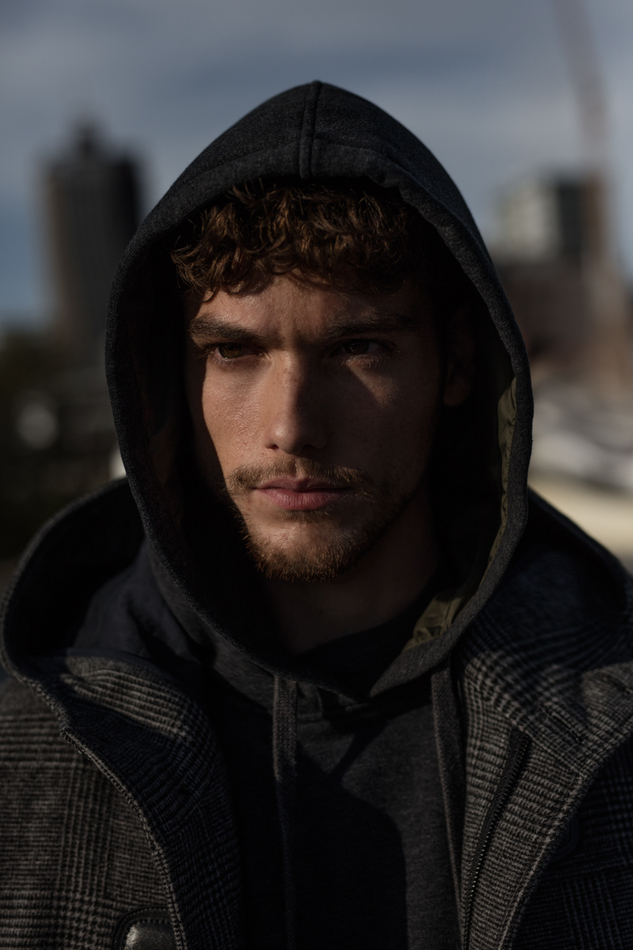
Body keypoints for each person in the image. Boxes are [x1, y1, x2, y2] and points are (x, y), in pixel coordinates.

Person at [1, 81, 632, 950]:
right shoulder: (28, 743)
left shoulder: (612, 710)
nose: (292, 426)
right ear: (170, 377)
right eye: (234, 351)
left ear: (456, 365)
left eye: (357, 348)